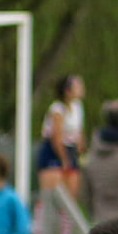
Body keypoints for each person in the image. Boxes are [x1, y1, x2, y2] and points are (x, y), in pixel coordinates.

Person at [36, 74, 84, 211]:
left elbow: (79, 131)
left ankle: (66, 229)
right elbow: (56, 136)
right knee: (52, 193)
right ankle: (41, 226)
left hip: (70, 149)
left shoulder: (77, 107)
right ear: (67, 90)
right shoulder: (57, 109)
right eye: (77, 86)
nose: (81, 89)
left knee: (71, 194)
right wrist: (64, 159)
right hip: (54, 151)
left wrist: (80, 149)